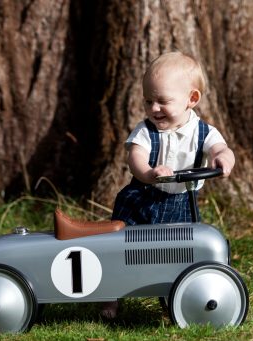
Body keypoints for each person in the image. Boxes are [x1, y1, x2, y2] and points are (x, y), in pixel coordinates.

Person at [100, 52, 235, 319]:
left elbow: (221, 148)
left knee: (180, 253)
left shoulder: (203, 132)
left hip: (182, 204)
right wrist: (149, 173)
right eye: (148, 101)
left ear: (191, 99)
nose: (154, 109)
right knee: (120, 246)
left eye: (163, 101)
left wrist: (222, 158)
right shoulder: (146, 131)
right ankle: (110, 294)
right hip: (142, 198)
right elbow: (135, 157)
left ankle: (175, 297)